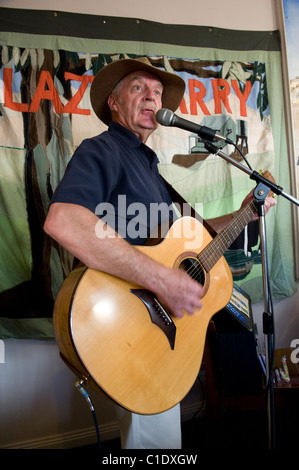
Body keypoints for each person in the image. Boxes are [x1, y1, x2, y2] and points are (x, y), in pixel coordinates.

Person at [44, 57, 276, 449]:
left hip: (157, 331)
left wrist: (245, 215)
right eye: (139, 88)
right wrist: (160, 278)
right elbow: (63, 221)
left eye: (157, 92)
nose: (152, 97)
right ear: (114, 103)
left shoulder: (148, 166)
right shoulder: (102, 150)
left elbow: (197, 238)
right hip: (131, 323)